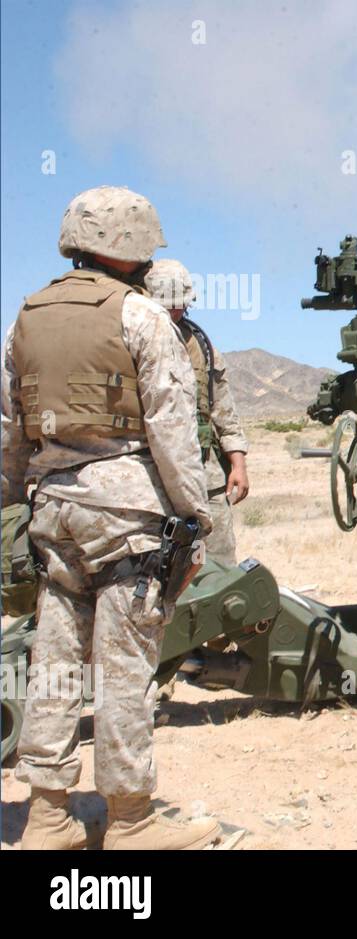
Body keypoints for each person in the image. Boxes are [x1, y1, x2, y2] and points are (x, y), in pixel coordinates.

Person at [2, 186, 222, 849]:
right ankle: (130, 817)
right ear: (131, 247)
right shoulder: (143, 317)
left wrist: (14, 504)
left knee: (55, 665)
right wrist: (196, 519)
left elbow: (10, 431)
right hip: (127, 519)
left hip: (54, 514)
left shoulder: (27, 317)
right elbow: (173, 433)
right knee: (126, 668)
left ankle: (47, 815)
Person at [145, 259, 250, 566]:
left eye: (179, 306)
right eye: (166, 306)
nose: (173, 312)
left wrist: (238, 464)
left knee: (220, 568)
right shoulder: (133, 341)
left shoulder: (201, 346)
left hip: (206, 478)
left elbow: (223, 410)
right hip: (153, 480)